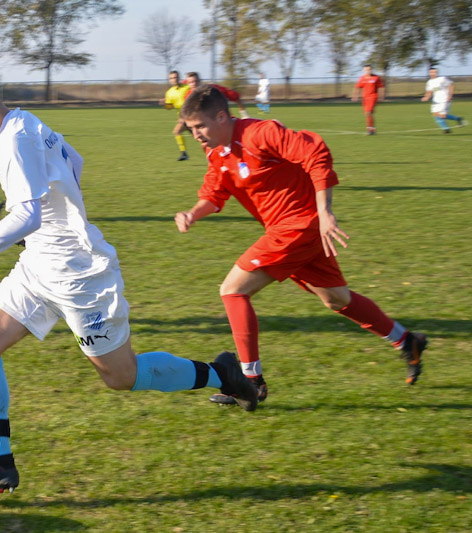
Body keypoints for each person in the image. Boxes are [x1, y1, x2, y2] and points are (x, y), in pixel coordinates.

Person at [0, 68, 259, 494]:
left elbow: (26, 215)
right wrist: (62, 219)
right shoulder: (27, 122)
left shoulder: (12, 139)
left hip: (76, 275)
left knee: (120, 376)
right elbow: (74, 160)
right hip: (39, 265)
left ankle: (223, 375)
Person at [174, 85, 428, 407]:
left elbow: (315, 150)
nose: (195, 134)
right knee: (336, 299)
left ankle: (251, 382)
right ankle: (407, 342)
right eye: (191, 128)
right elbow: (214, 191)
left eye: (200, 126)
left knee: (233, 290)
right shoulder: (217, 151)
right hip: (293, 232)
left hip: (299, 227)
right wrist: (192, 213)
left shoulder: (259, 134)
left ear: (222, 116)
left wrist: (325, 211)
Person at [421, 67, 465, 133]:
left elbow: (450, 85)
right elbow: (429, 92)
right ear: (429, 73)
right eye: (431, 72)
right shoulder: (429, 82)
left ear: (437, 73)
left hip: (444, 100)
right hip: (436, 101)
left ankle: (447, 128)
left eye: (434, 72)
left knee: (442, 116)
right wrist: (426, 97)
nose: (432, 73)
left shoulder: (442, 79)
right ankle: (451, 125)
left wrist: (450, 95)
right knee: (436, 115)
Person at [160, 70, 192, 161]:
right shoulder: (169, 92)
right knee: (177, 132)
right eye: (172, 78)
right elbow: (169, 107)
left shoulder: (187, 88)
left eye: (176, 77)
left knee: (201, 138)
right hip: (182, 118)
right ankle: (184, 153)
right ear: (170, 80)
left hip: (192, 116)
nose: (174, 79)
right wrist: (165, 104)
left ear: (179, 78)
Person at [351, 65, 384, 135]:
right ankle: (371, 129)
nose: (368, 71)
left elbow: (381, 87)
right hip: (365, 98)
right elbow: (357, 87)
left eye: (369, 69)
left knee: (368, 112)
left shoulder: (376, 77)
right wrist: (355, 96)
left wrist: (381, 97)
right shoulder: (362, 78)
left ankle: (371, 130)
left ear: (371, 70)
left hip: (373, 97)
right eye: (366, 70)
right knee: (367, 114)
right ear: (364, 71)